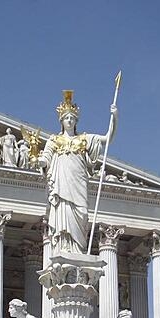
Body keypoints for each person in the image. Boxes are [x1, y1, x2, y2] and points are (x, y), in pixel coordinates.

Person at [38, 90, 117, 254]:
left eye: (72, 118)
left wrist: (114, 117)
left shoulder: (84, 139)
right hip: (61, 185)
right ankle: (64, 247)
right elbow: (46, 157)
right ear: (61, 121)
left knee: (81, 213)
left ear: (76, 121)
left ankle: (78, 251)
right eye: (66, 118)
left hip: (78, 184)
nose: (69, 120)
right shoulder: (54, 140)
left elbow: (108, 138)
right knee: (63, 214)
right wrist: (41, 162)